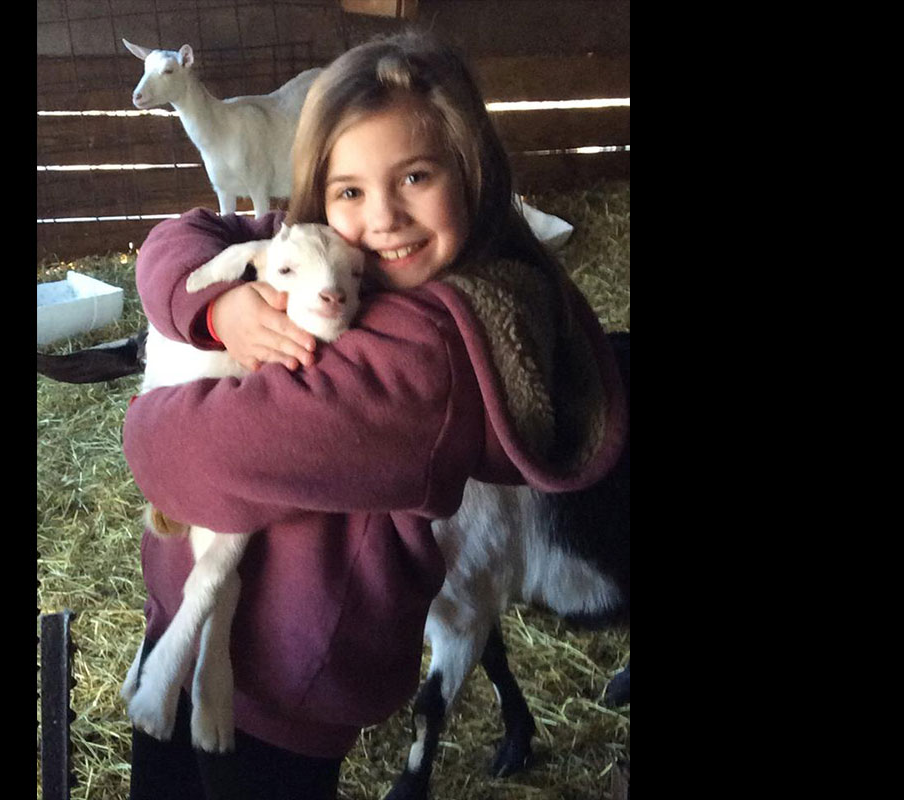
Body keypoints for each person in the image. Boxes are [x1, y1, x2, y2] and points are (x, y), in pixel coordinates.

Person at [122, 31, 628, 800]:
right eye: (350, 190)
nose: (382, 215)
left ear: (475, 176)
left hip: (280, 683)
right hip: (189, 631)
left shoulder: (423, 365)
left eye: (416, 176)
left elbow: (183, 461)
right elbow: (184, 237)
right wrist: (217, 306)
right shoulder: (346, 260)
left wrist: (142, 418)